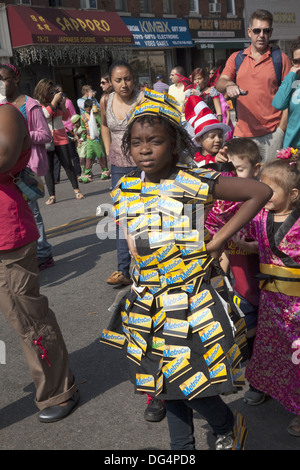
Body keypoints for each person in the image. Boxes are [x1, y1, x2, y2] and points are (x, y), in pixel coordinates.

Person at [99, 89, 272, 450]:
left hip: (190, 302)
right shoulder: (126, 187)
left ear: (175, 142)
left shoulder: (191, 181)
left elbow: (258, 192)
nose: (145, 149)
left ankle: (220, 427)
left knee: (179, 378)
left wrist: (216, 241)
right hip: (148, 302)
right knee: (166, 381)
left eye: (156, 141)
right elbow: (132, 232)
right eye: (136, 142)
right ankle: (201, 438)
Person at [0, 102, 79, 422]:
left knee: (28, 318)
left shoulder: (6, 112)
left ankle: (59, 389)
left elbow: (4, 154)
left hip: (8, 236)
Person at [233, 148, 300, 437]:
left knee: (296, 356)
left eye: (270, 190)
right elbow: (264, 248)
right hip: (271, 301)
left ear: (293, 195)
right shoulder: (259, 217)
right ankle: (263, 386)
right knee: (269, 349)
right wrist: (243, 245)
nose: (264, 194)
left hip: (297, 304)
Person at [205, 138, 263, 404]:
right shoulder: (224, 207)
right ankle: (256, 378)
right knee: (246, 326)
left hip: (262, 283)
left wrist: (249, 246)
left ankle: (261, 380)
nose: (234, 175)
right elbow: (222, 245)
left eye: (240, 169)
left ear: (256, 169)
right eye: (232, 170)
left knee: (262, 331)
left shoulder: (262, 205)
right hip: (238, 281)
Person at [216, 9, 291, 162]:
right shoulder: (236, 58)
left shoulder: (281, 59)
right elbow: (220, 83)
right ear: (249, 32)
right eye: (257, 30)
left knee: (270, 182)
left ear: (271, 32)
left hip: (272, 135)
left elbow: (290, 98)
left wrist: (281, 131)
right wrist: (229, 84)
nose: (261, 35)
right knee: (244, 183)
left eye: (266, 30)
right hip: (242, 135)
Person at [0, 63, 54, 271]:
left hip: (26, 166)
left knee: (32, 212)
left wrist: (20, 136)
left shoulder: (30, 104)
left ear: (16, 79)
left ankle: (43, 252)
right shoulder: (2, 105)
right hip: (7, 172)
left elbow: (45, 135)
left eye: (4, 78)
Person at [101, 60, 141, 287]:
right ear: (111, 82)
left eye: (127, 79)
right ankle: (122, 269)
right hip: (118, 167)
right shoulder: (106, 99)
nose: (124, 84)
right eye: (118, 80)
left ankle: (148, 267)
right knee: (123, 219)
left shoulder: (144, 98)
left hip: (145, 165)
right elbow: (105, 126)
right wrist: (109, 152)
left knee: (147, 217)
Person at [33, 78, 84, 204]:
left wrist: (62, 105)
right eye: (50, 92)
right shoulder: (37, 103)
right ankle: (52, 196)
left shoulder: (55, 102)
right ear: (43, 92)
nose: (52, 95)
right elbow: (45, 115)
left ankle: (76, 190)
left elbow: (66, 117)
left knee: (68, 164)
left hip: (61, 136)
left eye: (53, 92)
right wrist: (54, 101)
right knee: (49, 168)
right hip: (47, 138)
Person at [185, 95, 231, 166]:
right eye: (212, 136)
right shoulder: (191, 160)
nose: (218, 140)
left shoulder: (227, 157)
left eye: (220, 136)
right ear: (199, 140)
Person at [272, 36, 300, 149]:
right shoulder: (293, 81)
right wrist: (291, 75)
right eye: (297, 61)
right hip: (293, 150)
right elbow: (278, 104)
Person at [55, 84, 81, 180]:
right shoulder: (54, 104)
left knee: (72, 153)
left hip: (69, 129)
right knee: (57, 155)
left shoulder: (68, 102)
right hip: (59, 131)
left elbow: (73, 114)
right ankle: (55, 177)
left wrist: (75, 127)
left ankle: (78, 173)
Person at [80, 98, 109, 182]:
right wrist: (82, 137)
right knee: (89, 156)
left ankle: (105, 171)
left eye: (90, 107)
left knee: (100, 155)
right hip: (89, 140)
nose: (89, 109)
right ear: (84, 108)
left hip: (97, 139)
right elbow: (83, 128)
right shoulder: (82, 116)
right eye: (87, 107)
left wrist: (98, 131)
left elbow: (102, 125)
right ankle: (87, 173)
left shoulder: (96, 115)